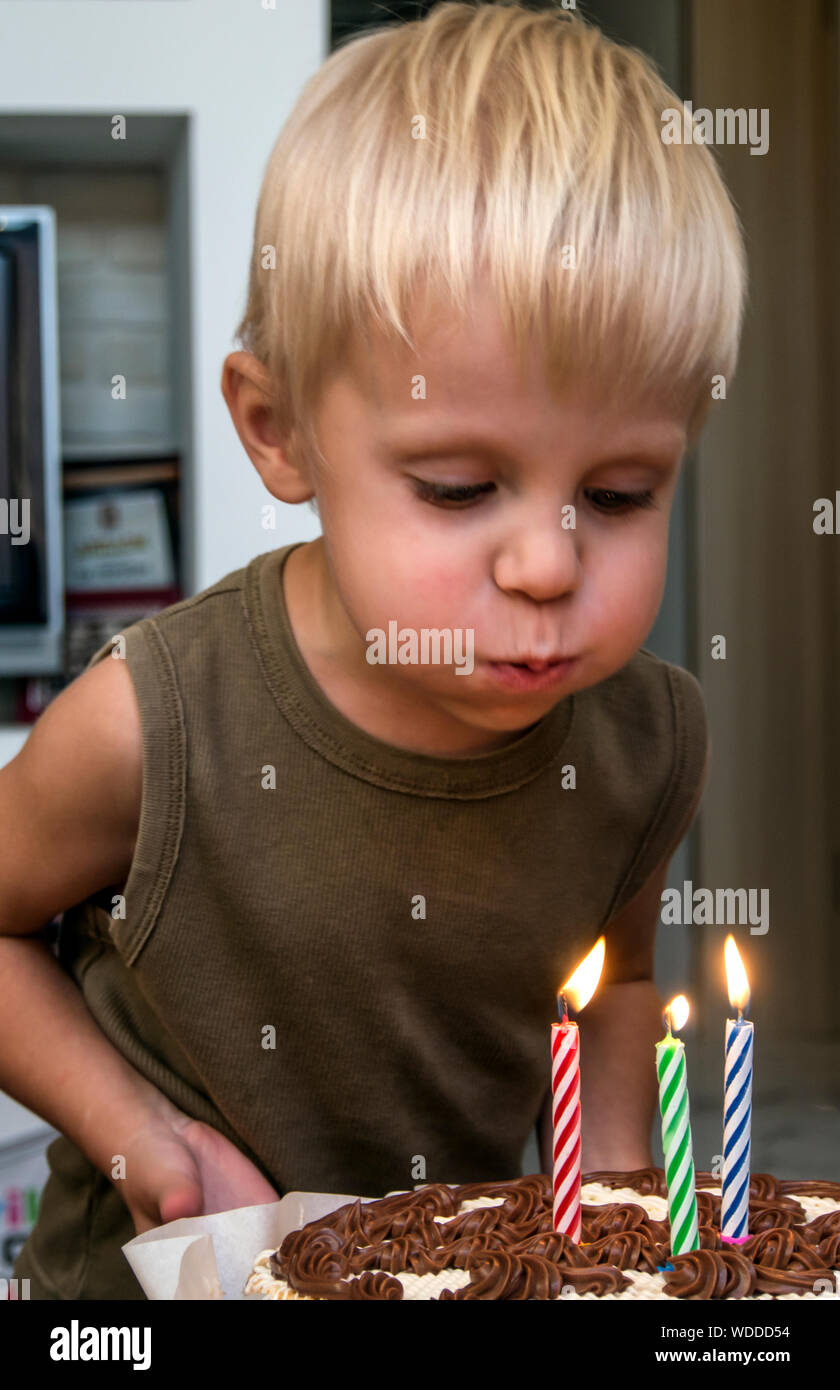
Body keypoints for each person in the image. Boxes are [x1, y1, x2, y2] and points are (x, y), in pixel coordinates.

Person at [2, 2, 745, 1298]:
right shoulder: (150, 723)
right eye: (461, 487)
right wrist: (146, 1137)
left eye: (621, 492)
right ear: (278, 429)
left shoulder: (649, 743)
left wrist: (621, 1185)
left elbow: (618, 974)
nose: (548, 563)